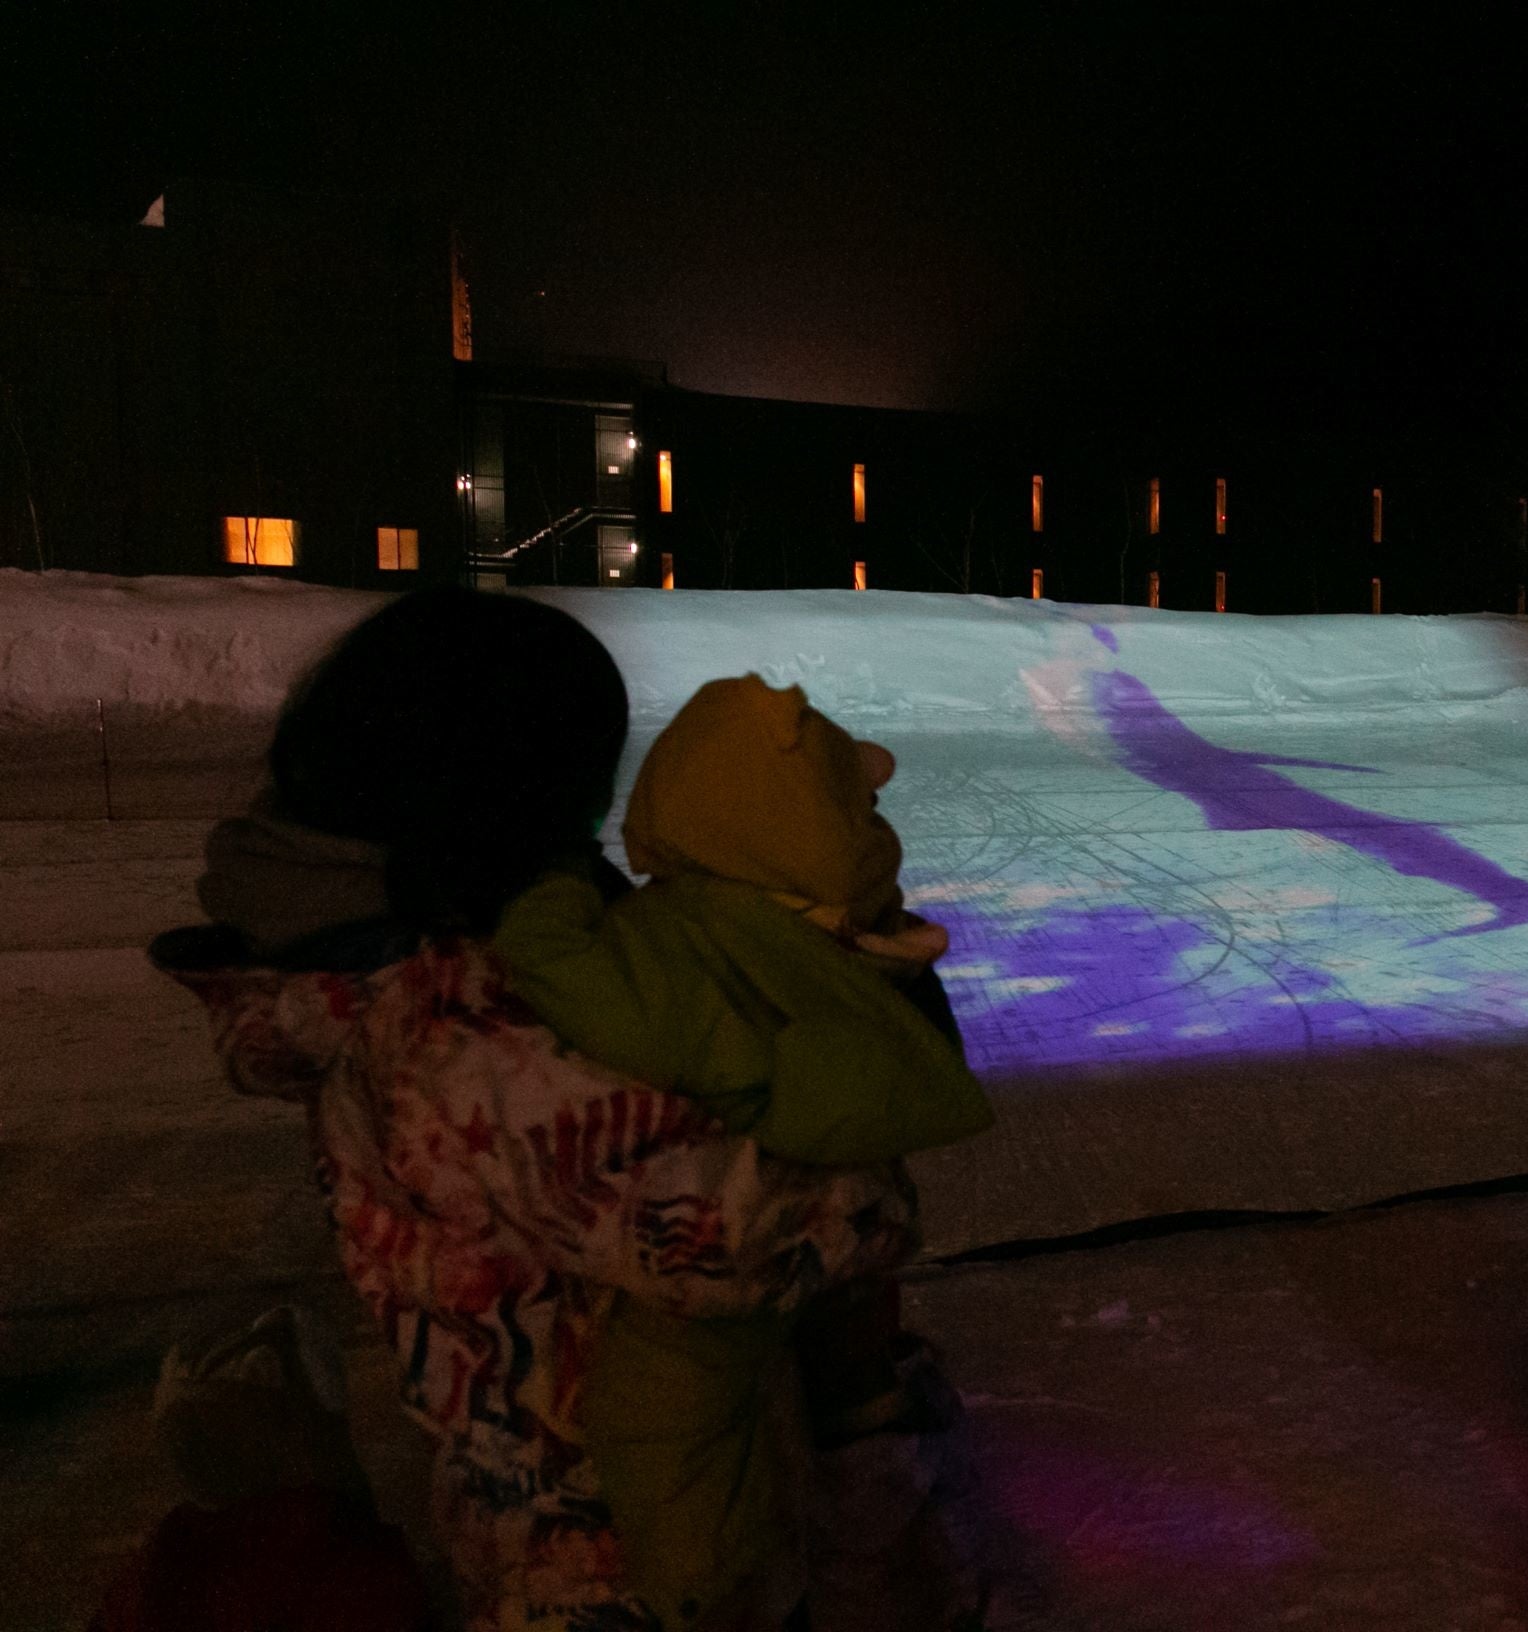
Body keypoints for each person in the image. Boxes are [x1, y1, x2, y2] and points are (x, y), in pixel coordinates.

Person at [149, 589, 935, 1631]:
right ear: (502, 794)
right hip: (610, 1567)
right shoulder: (459, 1028)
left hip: (594, 1506)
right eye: (583, 788)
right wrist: (865, 1133)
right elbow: (732, 1234)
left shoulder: (414, 968)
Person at [490, 674, 994, 1627]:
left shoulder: (678, 943)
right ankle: (857, 1547)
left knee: (669, 1409)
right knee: (828, 1393)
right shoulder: (827, 921)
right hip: (819, 1192)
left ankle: (707, 1581)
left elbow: (569, 973)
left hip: (730, 1234)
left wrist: (551, 892)